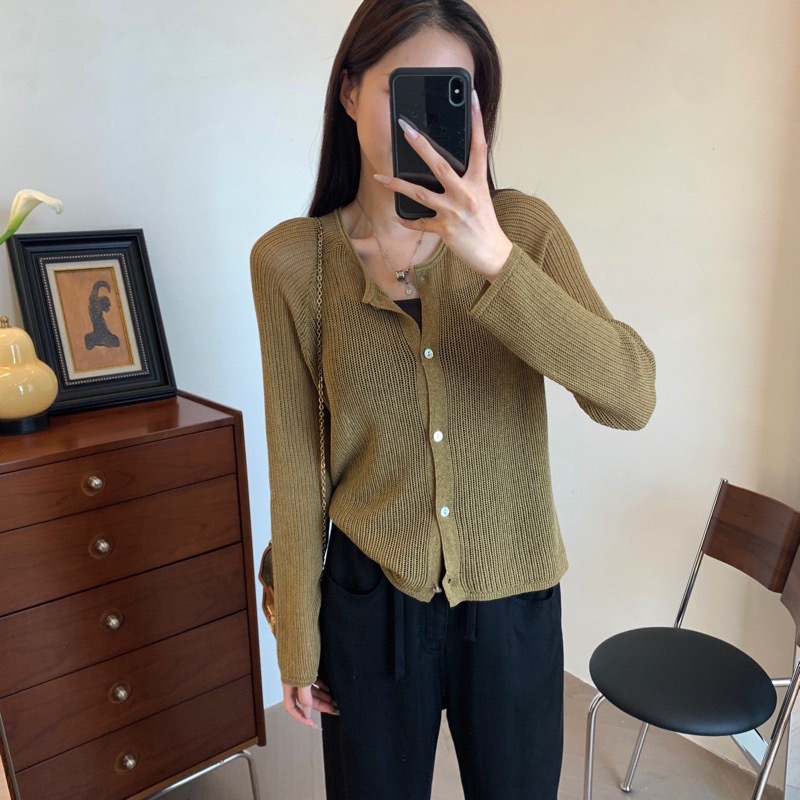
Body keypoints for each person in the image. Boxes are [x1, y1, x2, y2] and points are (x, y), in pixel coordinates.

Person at [250, 1, 656, 798]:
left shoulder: (524, 232)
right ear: (349, 92)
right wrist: (297, 640)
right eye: (405, 87)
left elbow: (631, 396)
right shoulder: (294, 263)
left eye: (454, 92)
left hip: (513, 596)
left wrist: (497, 262)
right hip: (371, 602)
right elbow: (296, 466)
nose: (428, 118)